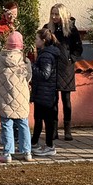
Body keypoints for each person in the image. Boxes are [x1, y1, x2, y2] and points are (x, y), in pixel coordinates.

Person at [0, 30, 32, 163]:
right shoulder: (25, 60)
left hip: (5, 98)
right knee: (23, 124)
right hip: (21, 98)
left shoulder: (1, 59)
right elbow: (29, 77)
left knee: (7, 124)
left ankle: (7, 153)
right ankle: (27, 152)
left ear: (7, 44)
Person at [45, 5, 84, 141]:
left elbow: (78, 48)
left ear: (62, 15)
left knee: (66, 100)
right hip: (51, 67)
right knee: (53, 101)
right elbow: (43, 45)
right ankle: (54, 130)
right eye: (52, 14)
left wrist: (70, 59)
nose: (54, 17)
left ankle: (68, 130)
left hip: (66, 68)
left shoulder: (71, 29)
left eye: (57, 14)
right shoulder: (48, 28)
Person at [30, 26, 62, 157]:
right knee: (39, 118)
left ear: (43, 41)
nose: (35, 41)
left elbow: (45, 74)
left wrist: (31, 66)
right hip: (44, 92)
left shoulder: (46, 56)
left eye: (36, 39)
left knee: (46, 120)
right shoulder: (45, 53)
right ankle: (34, 143)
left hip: (46, 93)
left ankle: (49, 146)